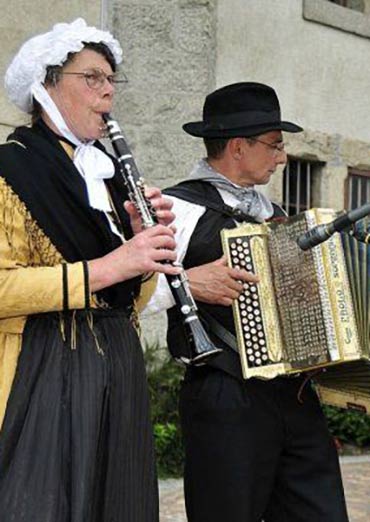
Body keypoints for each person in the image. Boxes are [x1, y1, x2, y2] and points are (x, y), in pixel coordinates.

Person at [0, 18, 180, 522]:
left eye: (111, 81)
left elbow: (128, 301)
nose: (107, 93)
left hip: (115, 361)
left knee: (116, 502)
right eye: (92, 78)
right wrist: (107, 266)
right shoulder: (9, 168)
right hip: (45, 365)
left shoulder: (105, 174)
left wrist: (144, 252)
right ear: (46, 86)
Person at [144, 82, 349, 521]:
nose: (282, 157)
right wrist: (189, 282)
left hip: (293, 393)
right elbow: (127, 297)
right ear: (239, 146)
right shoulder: (175, 210)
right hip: (224, 396)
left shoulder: (275, 214)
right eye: (274, 145)